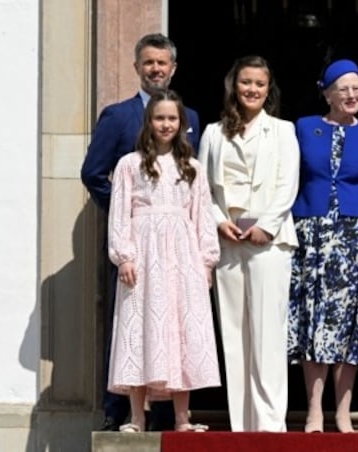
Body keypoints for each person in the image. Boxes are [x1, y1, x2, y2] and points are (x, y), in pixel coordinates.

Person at [80, 32, 201, 432]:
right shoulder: (118, 116)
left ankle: (168, 416)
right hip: (136, 247)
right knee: (133, 325)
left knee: (173, 324)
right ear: (137, 66)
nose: (155, 69)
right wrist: (128, 220)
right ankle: (121, 414)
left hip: (177, 250)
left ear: (173, 68)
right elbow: (93, 173)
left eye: (162, 62)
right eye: (148, 62)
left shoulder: (192, 118)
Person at [288, 59, 358, 433]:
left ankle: (343, 412)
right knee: (315, 322)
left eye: (357, 88)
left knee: (349, 328)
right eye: (343, 88)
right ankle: (314, 410)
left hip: (357, 239)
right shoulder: (303, 128)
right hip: (312, 236)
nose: (352, 95)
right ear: (327, 93)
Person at [107, 90, 221, 433]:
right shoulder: (129, 164)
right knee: (140, 327)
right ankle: (137, 418)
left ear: (182, 124)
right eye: (160, 118)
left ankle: (182, 418)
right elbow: (119, 215)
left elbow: (202, 216)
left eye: (172, 118)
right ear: (149, 122)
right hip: (142, 255)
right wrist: (123, 255)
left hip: (182, 257)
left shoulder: (193, 168)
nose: (166, 124)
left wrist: (206, 262)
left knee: (180, 330)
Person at [198, 55, 300, 432]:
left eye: (259, 83)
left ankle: (270, 424)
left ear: (267, 89)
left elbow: (288, 184)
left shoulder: (283, 130)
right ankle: (242, 425)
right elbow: (202, 189)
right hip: (228, 241)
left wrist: (267, 226)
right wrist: (218, 221)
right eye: (245, 82)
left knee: (267, 333)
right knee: (234, 333)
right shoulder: (212, 133)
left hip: (269, 243)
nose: (252, 89)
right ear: (234, 86)